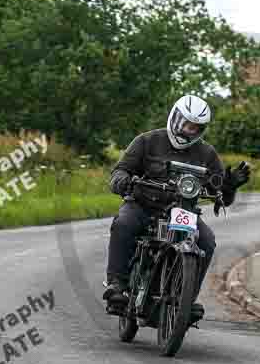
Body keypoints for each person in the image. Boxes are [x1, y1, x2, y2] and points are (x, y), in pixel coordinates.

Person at [102, 94, 251, 316]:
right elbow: (120, 170)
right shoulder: (147, 141)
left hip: (183, 212)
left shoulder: (207, 154)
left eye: (195, 127)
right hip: (143, 205)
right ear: (174, 117)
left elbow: (219, 194)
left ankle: (186, 300)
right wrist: (123, 181)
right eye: (185, 123)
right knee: (123, 223)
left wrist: (230, 185)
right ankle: (117, 285)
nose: (188, 130)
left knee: (207, 241)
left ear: (202, 130)